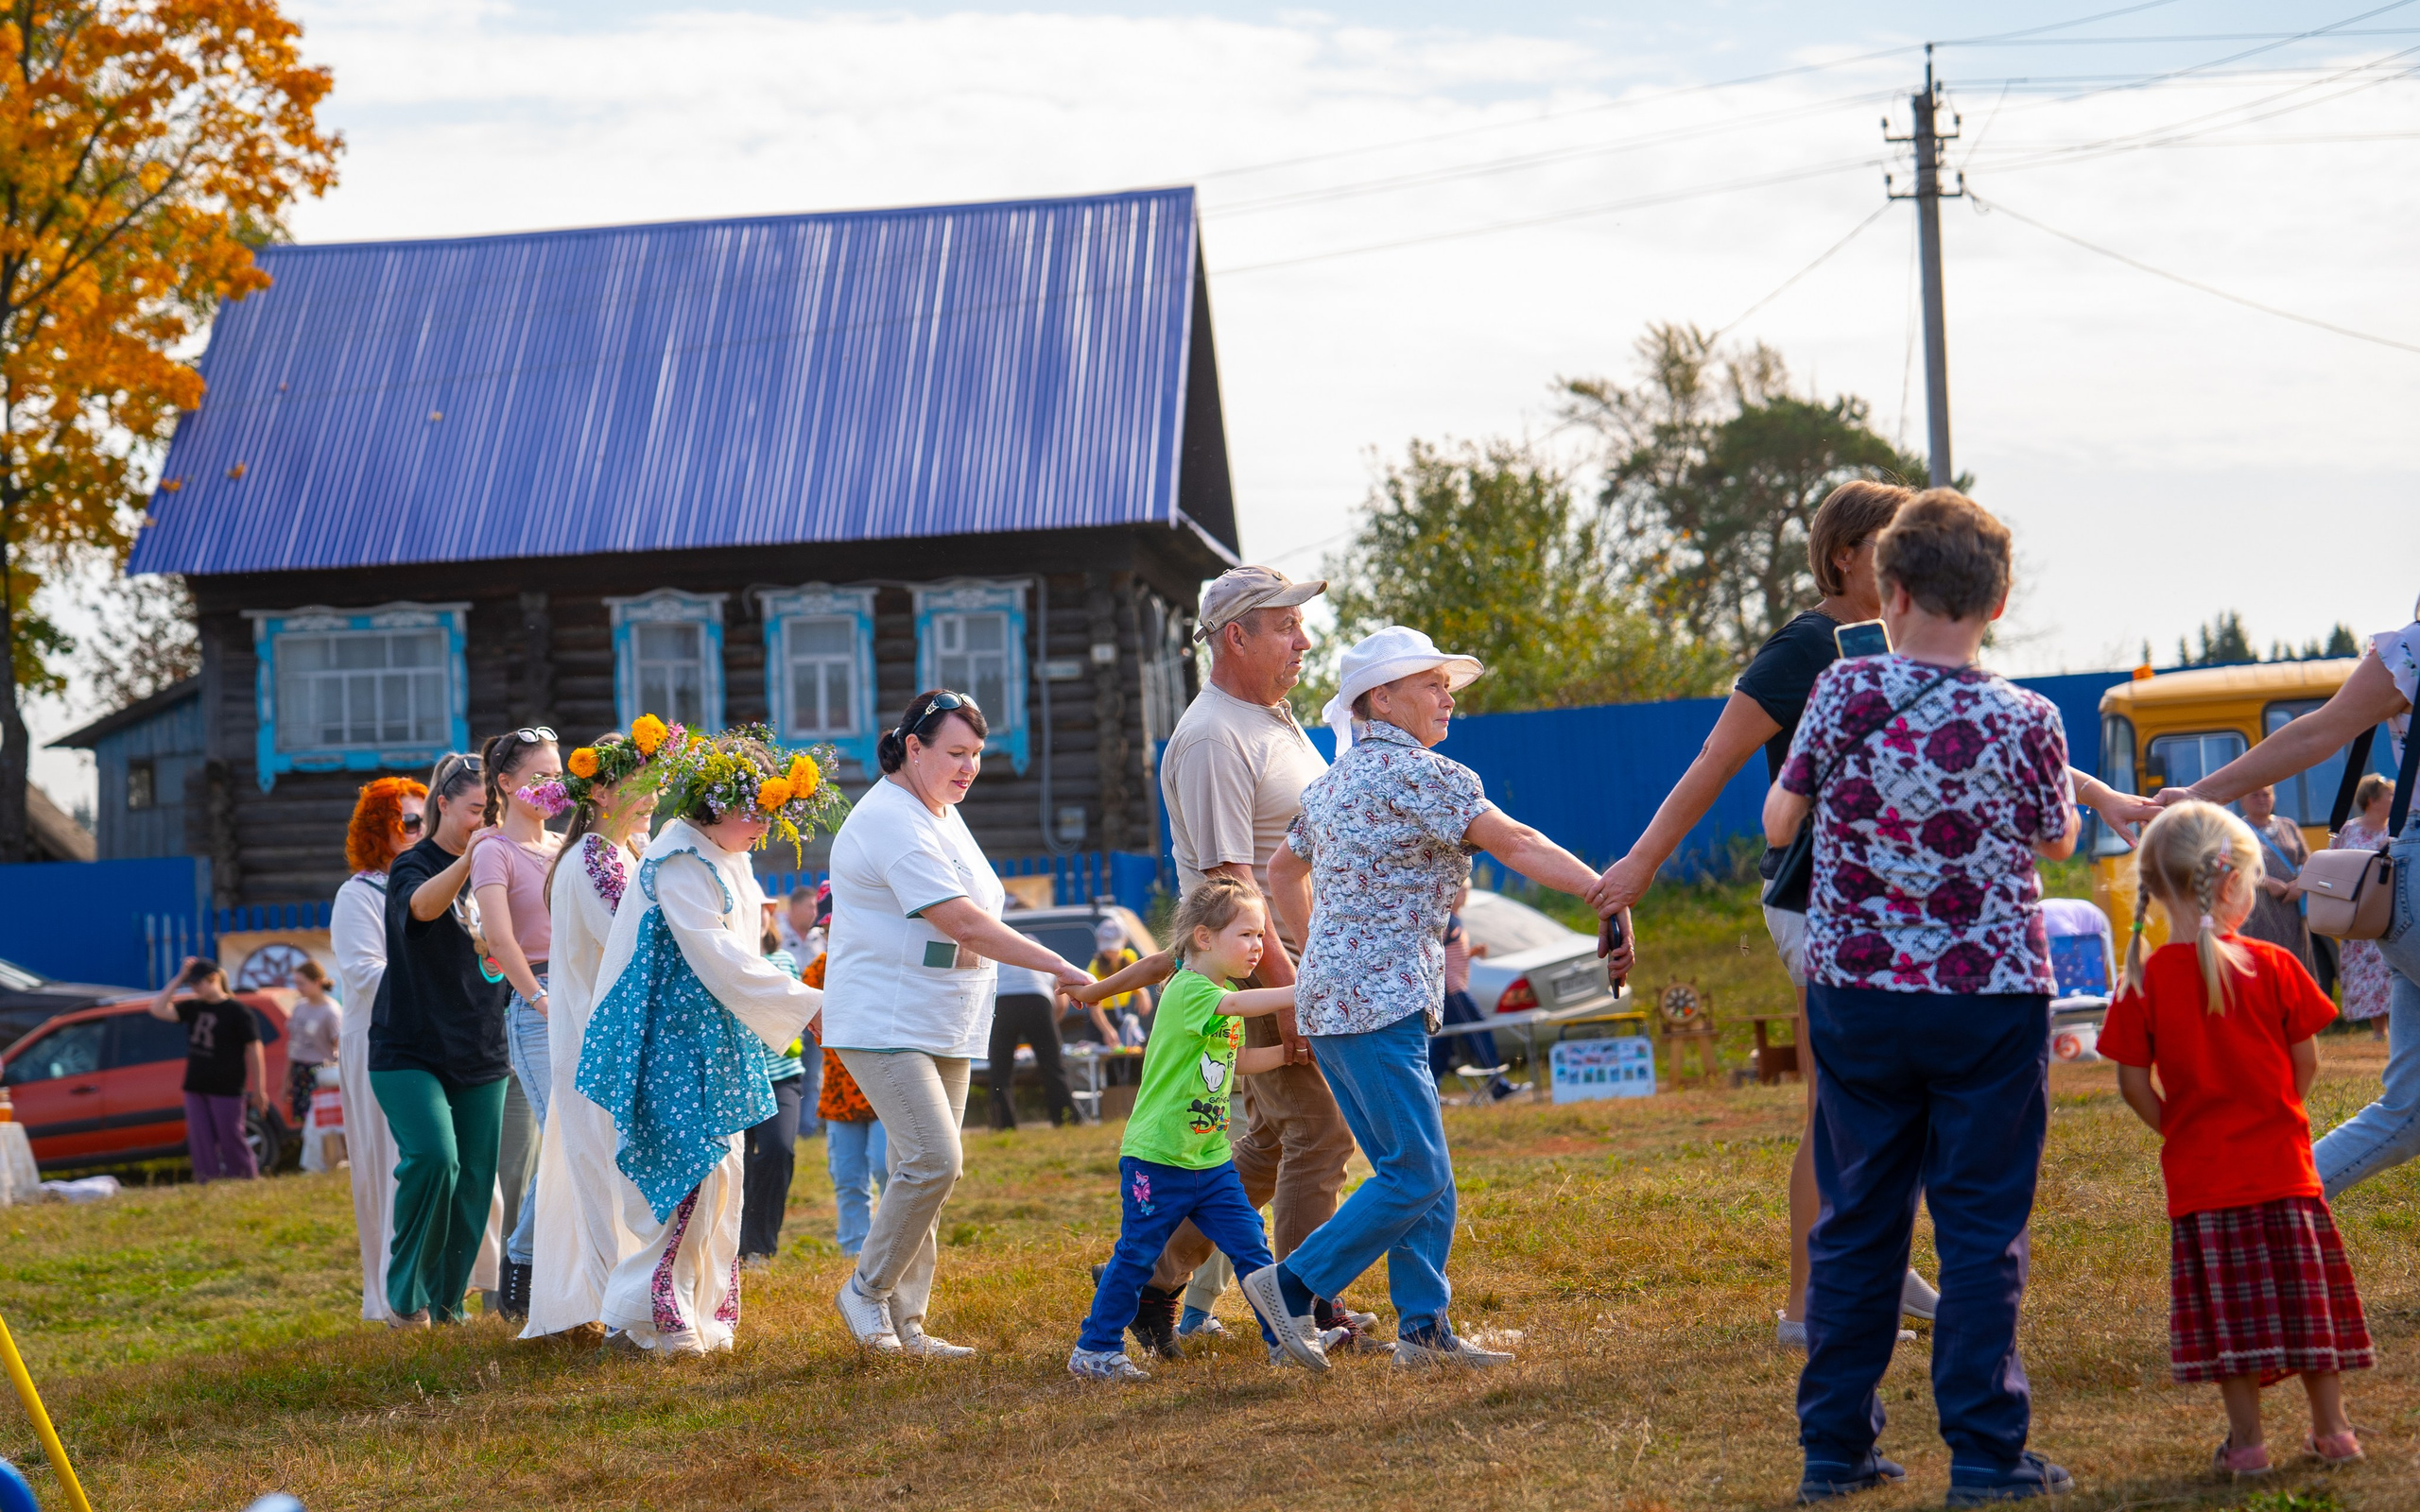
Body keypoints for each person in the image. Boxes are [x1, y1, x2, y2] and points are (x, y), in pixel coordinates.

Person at [1585, 479, 2155, 1349]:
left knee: (1886, 1104)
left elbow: (1985, 729)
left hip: (1886, 919)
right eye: (1893, 537)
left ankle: (1881, 1274)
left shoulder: (1901, 641)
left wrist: (2106, 796)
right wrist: (1640, 866)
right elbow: (1715, 758)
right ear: (1848, 555)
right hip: (1819, 904)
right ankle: (1807, 1310)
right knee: (1837, 1109)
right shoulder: (1808, 647)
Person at [1762, 490, 2078, 1504]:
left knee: (1856, 1218)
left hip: (1857, 987)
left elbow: (1778, 822)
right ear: (1997, 598)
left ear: (1890, 591)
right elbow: (2058, 836)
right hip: (1987, 990)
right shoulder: (2029, 716)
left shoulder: (1843, 693)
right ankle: (1987, 1456)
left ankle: (1833, 1448)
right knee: (1982, 1227)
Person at [1244, 626, 1634, 1371]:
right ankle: (1290, 1287)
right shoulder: (1429, 776)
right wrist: (1602, 890)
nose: (1447, 696)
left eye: (1446, 684)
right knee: (1415, 1170)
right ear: (1380, 699)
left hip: (1330, 1003)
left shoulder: (1329, 786)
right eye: (1431, 683)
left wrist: (1320, 946)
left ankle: (1424, 1332)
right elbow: (1515, 842)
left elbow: (1280, 869)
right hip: (1380, 1004)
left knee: (1418, 1167)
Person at [2098, 801, 2371, 1475]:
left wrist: (2182, 1130)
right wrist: (2275, 1114)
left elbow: (2133, 1086)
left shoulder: (2143, 980)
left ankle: (2246, 1445)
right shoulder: (2275, 964)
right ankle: (2333, 1431)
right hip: (2284, 1169)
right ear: (2233, 884)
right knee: (2307, 1308)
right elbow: (2306, 1063)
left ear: (2157, 890)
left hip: (2204, 1183)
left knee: (2233, 1321)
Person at [821, 690, 1094, 1358]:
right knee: (933, 1160)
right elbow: (963, 920)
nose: (969, 767)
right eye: (955, 753)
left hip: (945, 1011)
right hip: (883, 1015)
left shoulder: (941, 810)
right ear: (913, 748)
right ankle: (864, 1291)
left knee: (918, 1174)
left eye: (976, 755)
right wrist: (1060, 964)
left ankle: (907, 1325)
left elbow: (978, 913)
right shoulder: (890, 817)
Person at [1145, 564, 1367, 1354]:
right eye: (1285, 627)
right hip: (1269, 968)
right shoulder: (1212, 737)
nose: (1303, 642)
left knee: (1274, 1143)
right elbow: (1230, 882)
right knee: (1320, 1131)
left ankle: (1153, 1278)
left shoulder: (1272, 719)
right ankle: (1304, 1310)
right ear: (1234, 637)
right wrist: (1288, 989)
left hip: (1307, 961)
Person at [579, 726, 838, 1355]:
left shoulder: (728, 856)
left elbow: (742, 951)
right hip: (665, 1037)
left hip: (710, 1034)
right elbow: (716, 955)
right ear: (718, 802)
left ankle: (692, 1306)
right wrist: (806, 1005)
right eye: (758, 814)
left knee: (724, 1172)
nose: (765, 830)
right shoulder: (680, 859)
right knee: (689, 1171)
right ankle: (647, 1314)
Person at [2152, 601, 2417, 1198]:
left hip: (2404, 880)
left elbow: (2320, 731)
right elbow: (2318, 732)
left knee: (2407, 1114)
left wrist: (2199, 793)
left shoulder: (2407, 648)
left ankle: (2256, 1198)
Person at [1069, 877, 1303, 1382]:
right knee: (1136, 1256)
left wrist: (1286, 1054)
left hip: (1211, 1159)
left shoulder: (1223, 994)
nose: (1259, 946)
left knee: (1251, 1248)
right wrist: (1304, 989)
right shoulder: (1191, 989)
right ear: (1204, 938)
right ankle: (1096, 1348)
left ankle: (1282, 1341)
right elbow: (1239, 1009)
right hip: (1158, 1157)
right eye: (1247, 935)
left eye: (1262, 936)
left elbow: (1235, 1060)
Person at [523, 727, 668, 1340]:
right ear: (603, 793)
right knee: (608, 1177)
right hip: (594, 1044)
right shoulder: (596, 859)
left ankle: (623, 1306)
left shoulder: (617, 853)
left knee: (611, 1174)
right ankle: (621, 1317)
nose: (654, 798)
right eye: (641, 786)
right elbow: (631, 940)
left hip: (604, 1042)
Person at [371, 750, 513, 1328]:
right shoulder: (414, 864)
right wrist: (473, 859)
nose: (485, 822)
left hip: (482, 1045)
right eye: (477, 810)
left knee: (477, 1181)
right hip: (408, 1048)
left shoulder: (503, 866)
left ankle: (448, 1306)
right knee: (435, 1159)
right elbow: (423, 907)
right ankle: (405, 1297)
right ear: (444, 804)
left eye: (494, 812)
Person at [468, 727, 565, 1322]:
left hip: (585, 993)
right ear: (505, 784)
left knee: (585, 1138)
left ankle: (548, 1268)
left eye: (558, 775)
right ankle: (521, 1268)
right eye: (538, 776)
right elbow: (499, 935)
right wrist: (535, 998)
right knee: (562, 1139)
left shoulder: (567, 844)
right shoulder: (492, 850)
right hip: (537, 999)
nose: (552, 786)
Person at [333, 776, 426, 1324]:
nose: (417, 830)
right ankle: (388, 1296)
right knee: (384, 1164)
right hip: (376, 1038)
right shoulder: (358, 894)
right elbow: (363, 973)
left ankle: (438, 1283)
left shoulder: (432, 883)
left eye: (422, 820)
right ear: (379, 830)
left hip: (431, 1038)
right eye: (406, 821)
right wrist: (433, 980)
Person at [147, 957, 263, 1183]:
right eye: (191, 984)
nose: (194, 988)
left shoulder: (237, 1011)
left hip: (227, 1086)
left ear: (214, 979)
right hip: (196, 1085)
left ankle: (246, 1179)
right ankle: (207, 1181)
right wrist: (179, 977)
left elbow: (255, 1050)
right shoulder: (194, 1007)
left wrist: (259, 1089)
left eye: (198, 983)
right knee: (201, 1140)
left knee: (231, 1137)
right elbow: (157, 1009)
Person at [738, 908, 808, 1269]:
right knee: (736, 1163)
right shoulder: (721, 959)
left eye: (765, 908)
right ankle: (736, 1245)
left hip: (779, 1075)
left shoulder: (783, 960)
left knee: (778, 1151)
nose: (760, 915)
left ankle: (760, 1247)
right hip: (733, 1077)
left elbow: (793, 1015)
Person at [814, 933, 889, 1259]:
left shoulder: (883, 962)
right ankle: (855, 1251)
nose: (833, 936)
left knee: (887, 1167)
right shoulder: (818, 970)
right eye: (826, 930)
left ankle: (892, 1245)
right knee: (846, 1175)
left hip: (886, 1083)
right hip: (840, 1090)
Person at [1430, 882, 1513, 1101]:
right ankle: (1498, 1085)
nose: (1466, 895)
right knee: (1479, 1030)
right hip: (1453, 988)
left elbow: (1449, 952)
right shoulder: (1447, 918)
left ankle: (1431, 1091)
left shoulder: (1454, 918)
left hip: (1452, 987)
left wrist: (1470, 953)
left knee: (1443, 1044)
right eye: (1463, 890)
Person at [987, 939, 1080, 1131]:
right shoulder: (1041, 952)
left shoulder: (1000, 950)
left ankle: (1002, 1126)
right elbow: (1061, 1002)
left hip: (1004, 1003)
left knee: (1000, 1071)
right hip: (1038, 1002)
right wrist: (1048, 1028)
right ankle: (1067, 1121)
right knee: (1053, 1066)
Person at [2331, 774, 2396, 1039]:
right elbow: (2332, 863)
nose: (2395, 799)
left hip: (2393, 911)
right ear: (2372, 800)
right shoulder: (2349, 830)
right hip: (2357, 915)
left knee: (2394, 968)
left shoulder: (2398, 830)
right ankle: (2379, 1031)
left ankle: (2401, 1027)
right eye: (2390, 795)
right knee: (2365, 971)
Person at [2238, 784, 2315, 975]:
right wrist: (2264, 883)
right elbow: (2227, 866)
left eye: (2266, 794)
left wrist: (2300, 884)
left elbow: (2308, 860)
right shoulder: (2236, 829)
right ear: (2242, 801)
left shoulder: (2288, 826)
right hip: (2255, 914)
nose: (2262, 799)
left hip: (2291, 914)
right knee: (2262, 968)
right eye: (2254, 795)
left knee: (2293, 971)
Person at [284, 960, 342, 1126]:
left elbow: (340, 1048)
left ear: (317, 982)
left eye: (302, 983)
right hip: (300, 1071)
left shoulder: (330, 1011)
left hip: (322, 1076)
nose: (298, 988)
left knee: (325, 1129)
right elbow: (293, 1046)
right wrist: (285, 1081)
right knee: (304, 1125)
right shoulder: (299, 1007)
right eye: (296, 983)